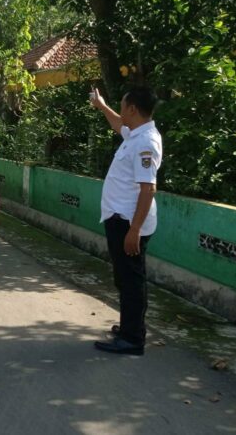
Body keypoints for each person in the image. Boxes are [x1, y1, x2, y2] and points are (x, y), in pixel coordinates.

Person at [90, 85, 162, 355]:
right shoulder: (135, 135)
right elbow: (118, 125)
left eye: (121, 105)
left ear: (132, 108)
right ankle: (130, 327)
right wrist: (101, 106)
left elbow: (148, 189)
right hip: (119, 219)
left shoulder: (146, 142)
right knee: (124, 278)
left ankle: (133, 339)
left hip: (129, 223)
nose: (120, 110)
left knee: (131, 281)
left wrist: (134, 229)